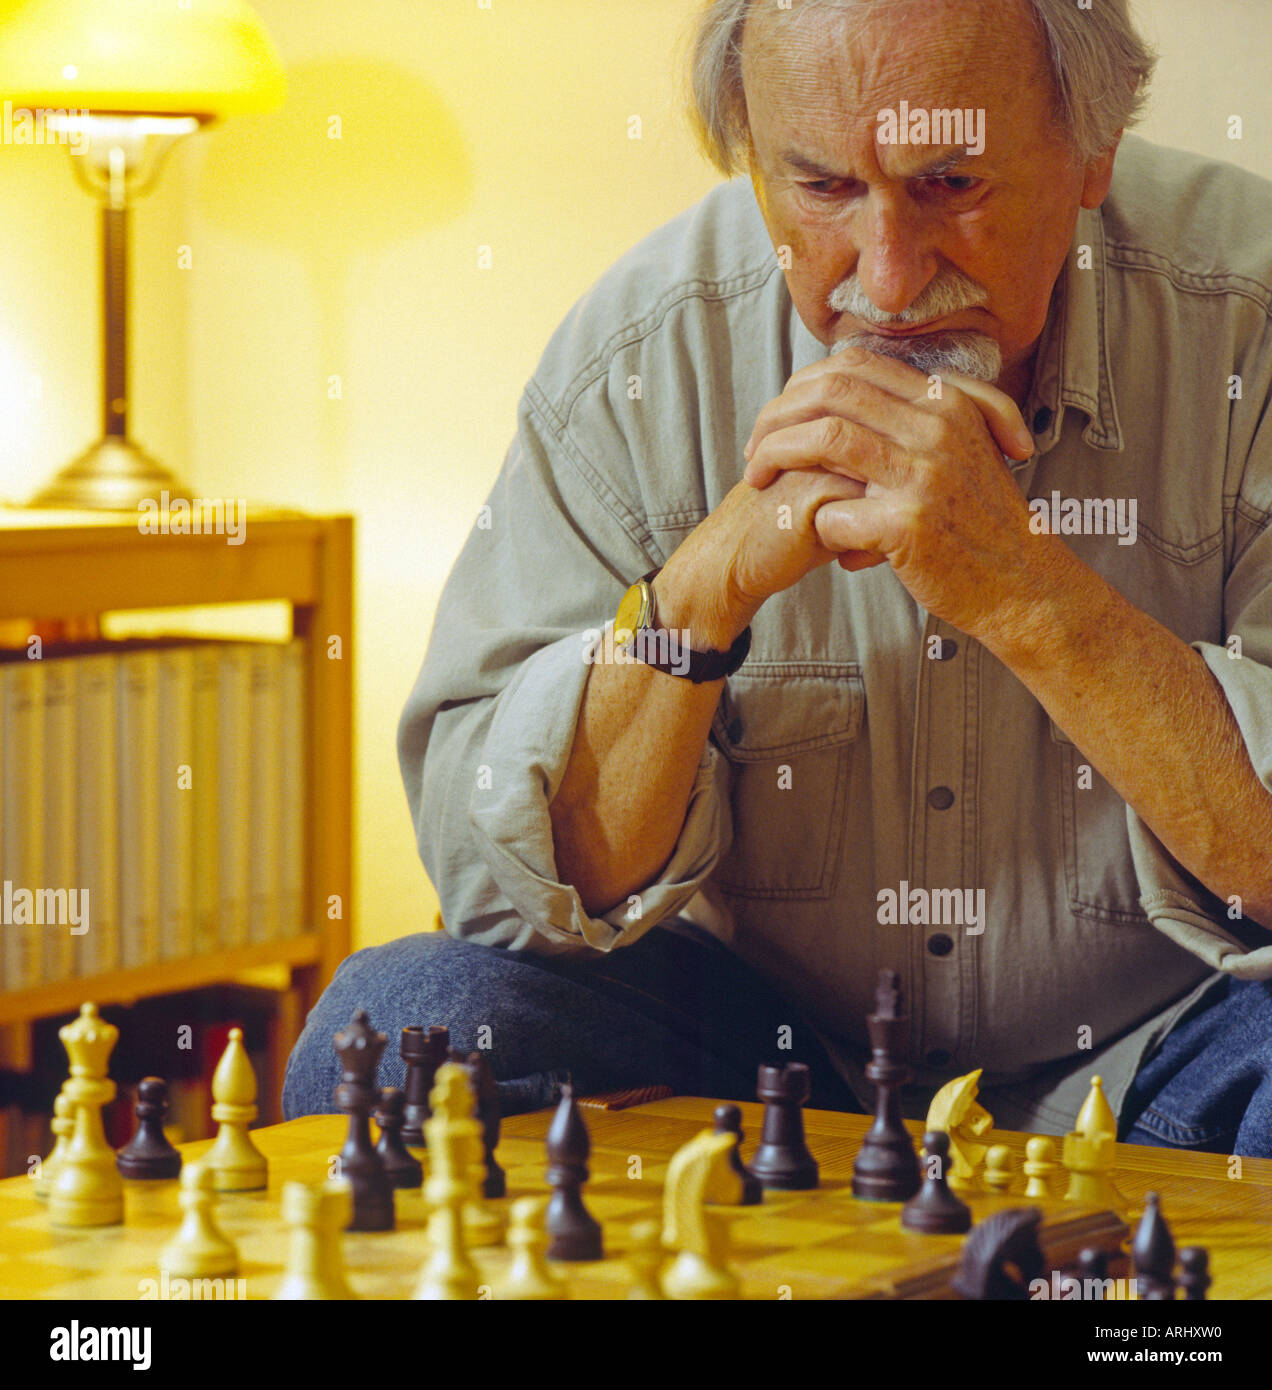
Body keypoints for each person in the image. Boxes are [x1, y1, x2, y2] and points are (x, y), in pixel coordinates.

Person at [284, 0, 1272, 1155]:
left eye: (952, 185)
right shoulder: (642, 355)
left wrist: (1027, 597)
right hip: (769, 1072)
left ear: (1092, 147)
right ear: (752, 156)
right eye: (822, 188)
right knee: (405, 1025)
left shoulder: (1245, 321)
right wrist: (697, 599)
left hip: (1168, 1063)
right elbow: (502, 896)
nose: (890, 281)